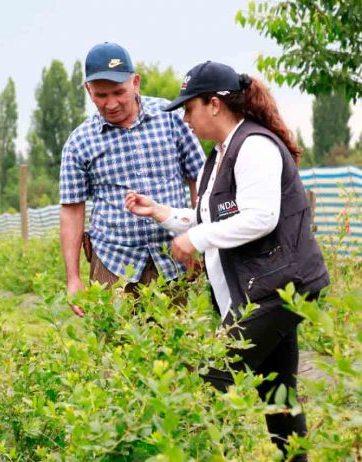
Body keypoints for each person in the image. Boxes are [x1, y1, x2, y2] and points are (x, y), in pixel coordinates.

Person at [125, 61, 329, 460]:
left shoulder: (254, 146)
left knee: (210, 380)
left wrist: (195, 239)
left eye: (189, 108)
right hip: (262, 292)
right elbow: (214, 220)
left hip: (276, 291)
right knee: (279, 395)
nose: (186, 118)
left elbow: (260, 216)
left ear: (214, 104)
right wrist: (162, 213)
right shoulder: (218, 156)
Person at [59, 42, 205, 316]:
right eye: (101, 95)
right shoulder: (79, 142)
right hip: (113, 263)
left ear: (135, 82)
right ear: (88, 91)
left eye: (119, 92)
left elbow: (200, 179)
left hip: (174, 257)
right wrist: (73, 278)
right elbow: (71, 209)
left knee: (179, 350)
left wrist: (200, 241)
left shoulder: (171, 119)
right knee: (117, 350)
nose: (111, 103)